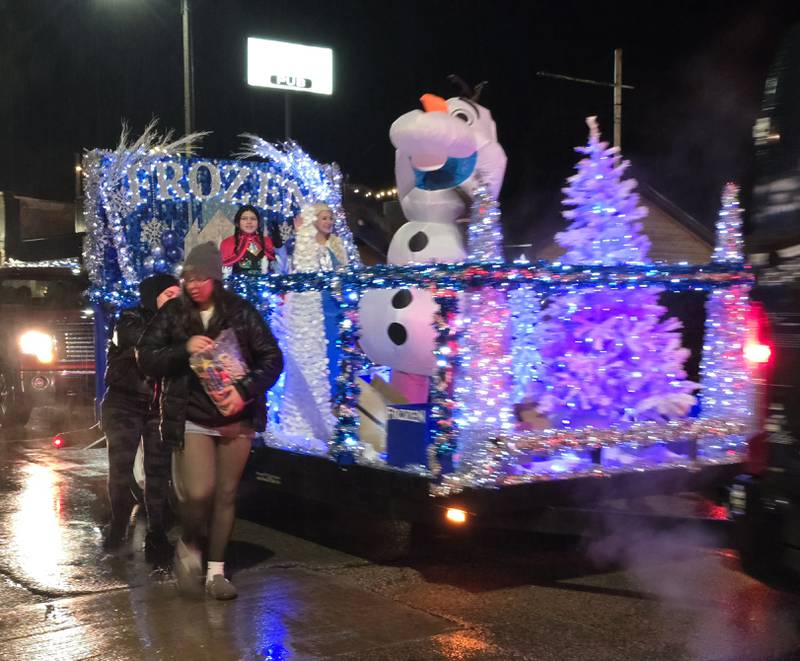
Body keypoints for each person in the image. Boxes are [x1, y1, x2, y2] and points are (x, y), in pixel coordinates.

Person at [137, 242, 283, 599]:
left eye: (201, 277)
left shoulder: (241, 312)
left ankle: (216, 573)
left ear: (216, 278)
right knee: (199, 492)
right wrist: (183, 349)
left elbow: (272, 359)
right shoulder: (174, 313)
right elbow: (147, 357)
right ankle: (189, 543)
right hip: (193, 416)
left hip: (236, 418)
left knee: (226, 494)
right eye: (188, 277)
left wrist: (244, 390)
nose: (194, 284)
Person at [101, 274, 181, 566]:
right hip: (124, 403)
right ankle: (119, 523)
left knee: (157, 472)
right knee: (120, 468)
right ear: (153, 297)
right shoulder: (131, 318)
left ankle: (157, 532)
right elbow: (134, 338)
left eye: (178, 294)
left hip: (158, 407)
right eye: (168, 294)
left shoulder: (180, 325)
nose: (176, 300)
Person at [219, 205, 276, 275]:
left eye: (253, 218)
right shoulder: (228, 243)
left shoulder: (267, 242)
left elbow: (276, 268)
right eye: (244, 218)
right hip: (236, 284)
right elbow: (225, 274)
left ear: (258, 222)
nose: (249, 222)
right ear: (238, 222)